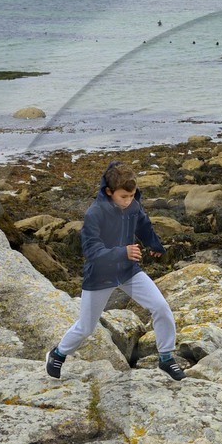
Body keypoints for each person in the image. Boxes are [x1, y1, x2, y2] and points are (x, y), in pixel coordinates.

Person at [46, 162, 185, 381]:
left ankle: (166, 358)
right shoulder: (95, 213)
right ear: (109, 192)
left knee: (161, 307)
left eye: (132, 196)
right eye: (124, 197)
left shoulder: (132, 205)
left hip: (129, 271)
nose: (128, 201)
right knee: (86, 327)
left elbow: (143, 224)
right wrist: (123, 252)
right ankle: (58, 353)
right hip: (99, 276)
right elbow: (91, 251)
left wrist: (154, 244)